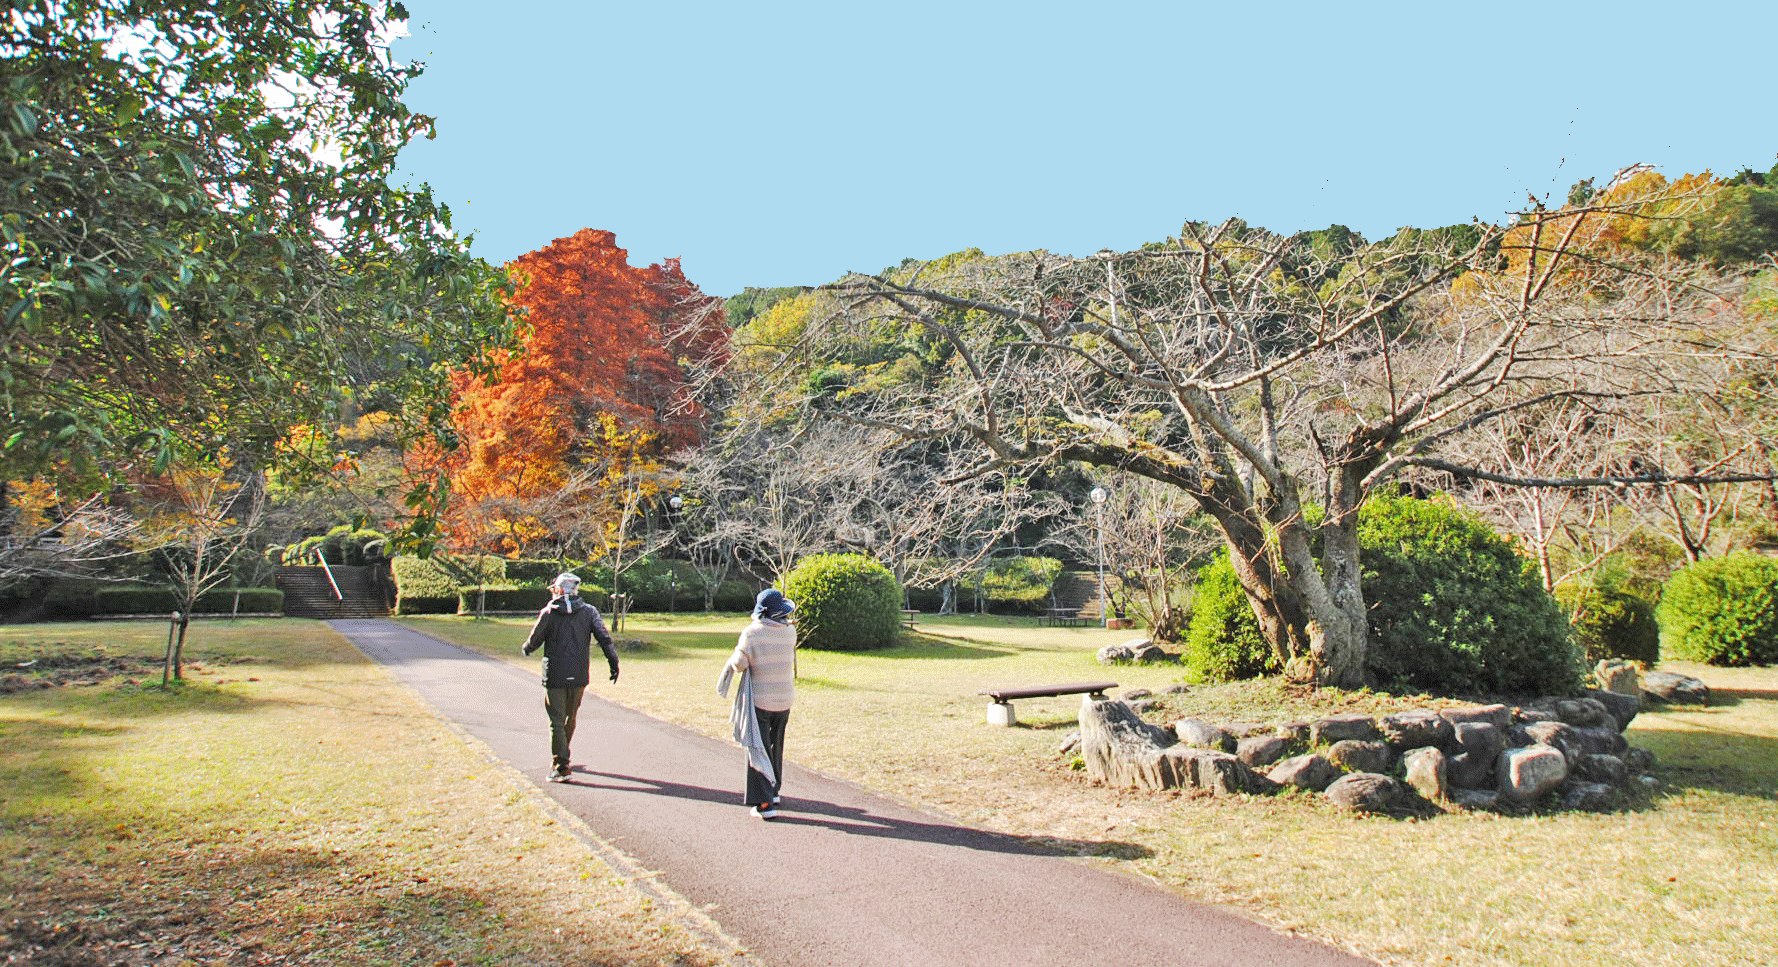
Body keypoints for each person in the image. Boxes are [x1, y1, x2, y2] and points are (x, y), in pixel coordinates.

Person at [522, 572, 619, 782]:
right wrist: (613, 662)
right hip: (578, 673)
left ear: (558, 589)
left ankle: (561, 766)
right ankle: (562, 757)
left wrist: (526, 649)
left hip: (555, 673)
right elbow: (604, 637)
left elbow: (535, 639)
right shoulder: (589, 612)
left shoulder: (549, 612)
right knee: (570, 717)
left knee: (556, 720)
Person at [718, 588, 797, 819]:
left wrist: (736, 654)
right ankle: (773, 792)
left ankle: (764, 805)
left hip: (761, 700)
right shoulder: (790, 632)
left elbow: (740, 664)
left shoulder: (752, 633)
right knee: (776, 746)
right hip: (784, 699)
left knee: (758, 748)